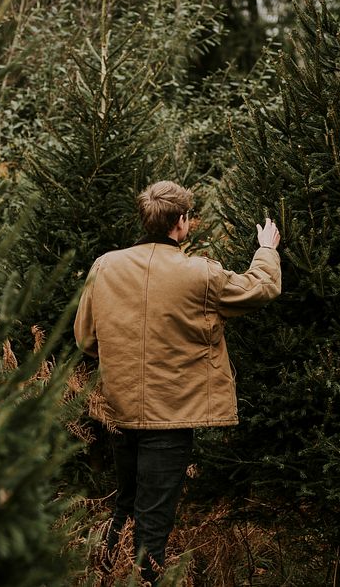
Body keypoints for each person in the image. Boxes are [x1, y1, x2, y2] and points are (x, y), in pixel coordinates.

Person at [74, 180, 282, 584]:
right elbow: (260, 288)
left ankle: (108, 578)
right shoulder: (198, 273)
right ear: (182, 222)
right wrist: (267, 250)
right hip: (171, 417)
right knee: (154, 523)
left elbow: (85, 338)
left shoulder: (104, 266)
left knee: (126, 508)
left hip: (119, 411)